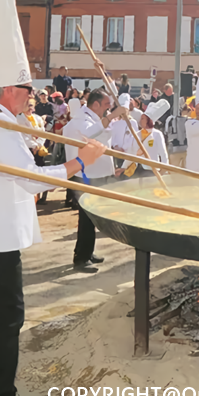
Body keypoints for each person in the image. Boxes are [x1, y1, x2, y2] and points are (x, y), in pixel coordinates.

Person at [0, 0, 107, 396]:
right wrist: (77, 163)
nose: (32, 96)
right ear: (12, 90)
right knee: (6, 323)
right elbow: (30, 180)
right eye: (27, 89)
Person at [64, 88, 126, 272]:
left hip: (96, 173)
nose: (108, 109)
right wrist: (113, 115)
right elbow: (90, 134)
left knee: (92, 216)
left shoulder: (94, 118)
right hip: (85, 174)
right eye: (107, 105)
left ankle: (87, 251)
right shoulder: (81, 119)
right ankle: (81, 258)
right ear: (96, 104)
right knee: (86, 217)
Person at [119, 100, 170, 178]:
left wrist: (163, 170)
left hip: (151, 170)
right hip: (136, 170)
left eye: (143, 118)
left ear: (149, 120)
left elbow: (163, 154)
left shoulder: (157, 134)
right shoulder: (137, 134)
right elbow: (132, 153)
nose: (140, 120)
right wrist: (123, 168)